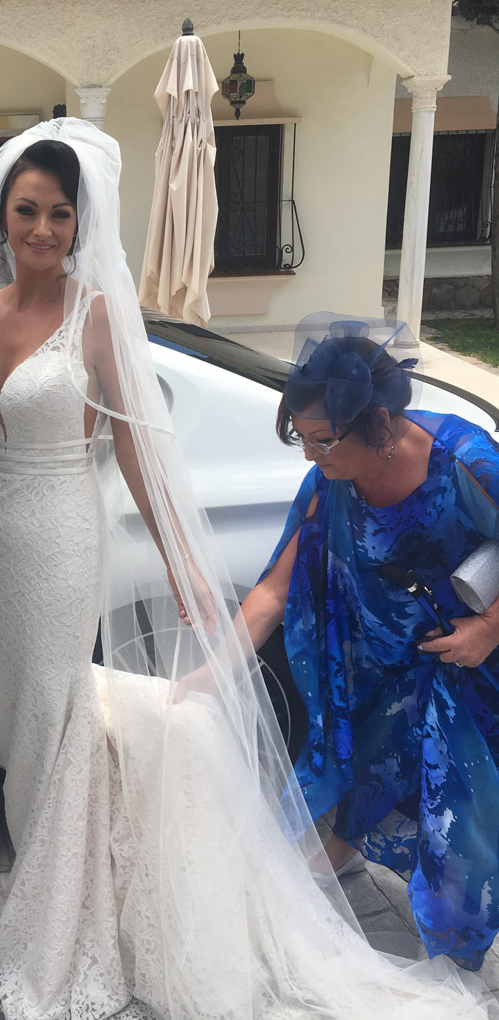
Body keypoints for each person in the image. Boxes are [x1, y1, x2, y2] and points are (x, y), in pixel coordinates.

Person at [0, 123, 497, 1019]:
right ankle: (61, 901)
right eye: (26, 210)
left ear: (78, 225)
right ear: (3, 216)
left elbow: (141, 455)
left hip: (60, 540)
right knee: (22, 730)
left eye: (59, 214)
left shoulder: (96, 317)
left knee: (58, 721)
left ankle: (68, 926)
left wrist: (190, 573)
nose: (41, 228)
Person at [209, 315, 499, 973]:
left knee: (458, 824)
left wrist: (486, 629)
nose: (311, 458)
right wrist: (209, 676)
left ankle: (456, 961)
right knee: (365, 760)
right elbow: (273, 592)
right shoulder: (331, 483)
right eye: (302, 441)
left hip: (468, 665)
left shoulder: (465, 462)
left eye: (321, 440)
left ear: (375, 422)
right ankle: (344, 848)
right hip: (382, 663)